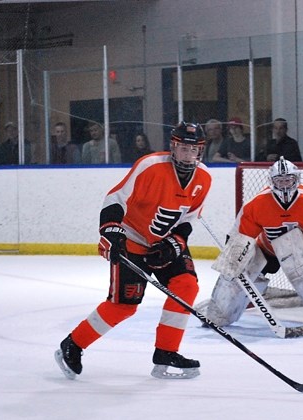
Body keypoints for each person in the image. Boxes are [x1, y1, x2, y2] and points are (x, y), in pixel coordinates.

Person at [54, 122, 212, 380]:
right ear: (173, 147)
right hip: (132, 240)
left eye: (192, 150)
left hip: (165, 242)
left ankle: (166, 351)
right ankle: (73, 344)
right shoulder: (151, 166)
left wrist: (174, 244)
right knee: (124, 306)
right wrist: (111, 231)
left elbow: (189, 218)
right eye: (183, 148)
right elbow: (116, 199)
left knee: (186, 286)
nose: (187, 154)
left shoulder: (204, 177)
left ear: (200, 152)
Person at [203, 157, 303, 331]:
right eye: (280, 181)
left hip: (300, 252)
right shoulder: (257, 204)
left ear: (297, 179)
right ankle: (218, 314)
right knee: (236, 271)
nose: (285, 185)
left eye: (289, 180)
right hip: (267, 251)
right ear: (271, 182)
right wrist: (234, 258)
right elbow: (240, 236)